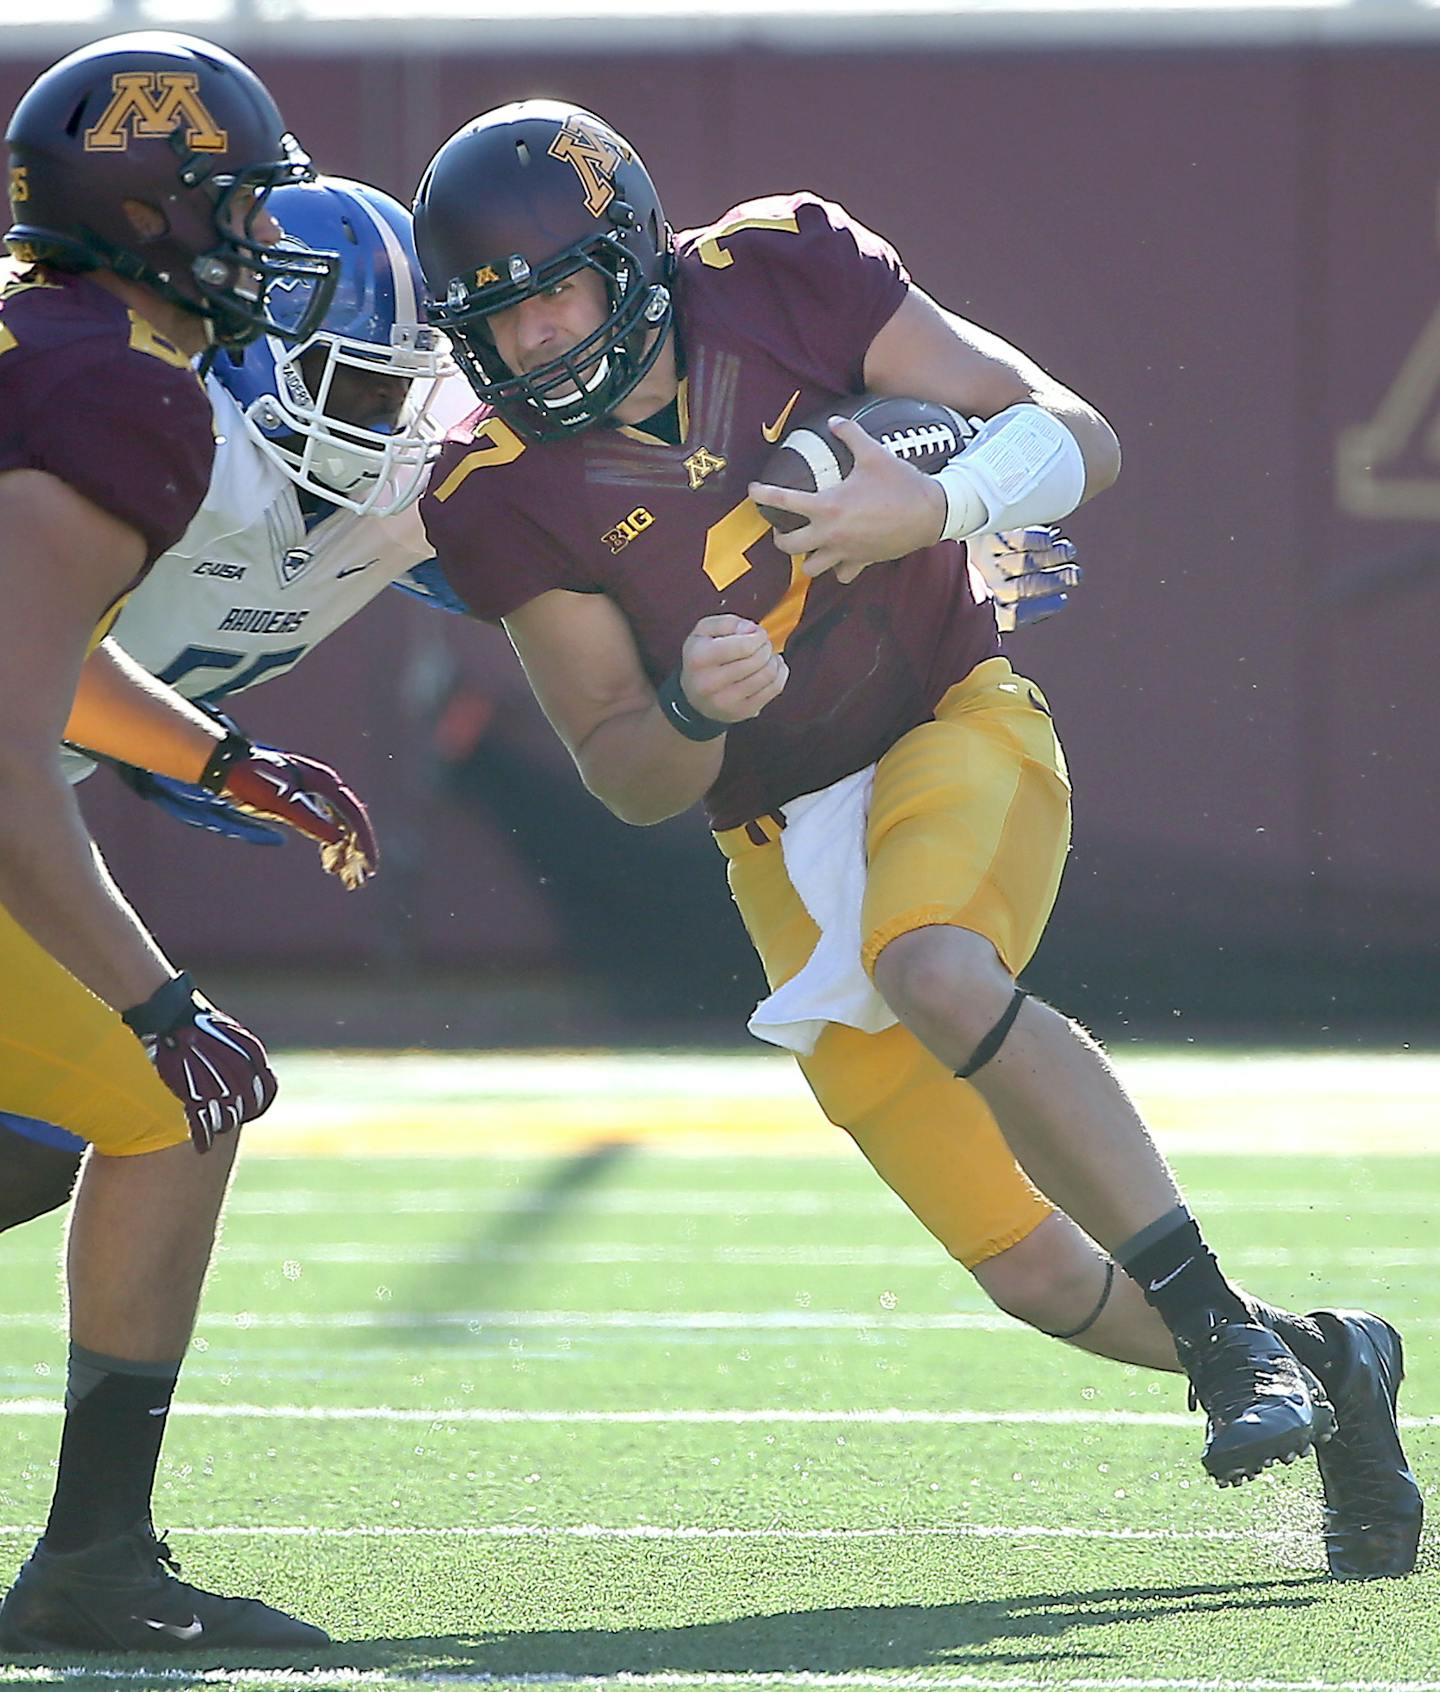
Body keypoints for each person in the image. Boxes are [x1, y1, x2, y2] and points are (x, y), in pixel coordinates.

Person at [409, 100, 1421, 1579]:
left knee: (935, 960)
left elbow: (1079, 435)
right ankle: (1330, 1359)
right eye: (498, 320)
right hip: (769, 834)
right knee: (1029, 1271)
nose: (541, 340)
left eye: (560, 288)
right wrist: (689, 706)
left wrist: (935, 504)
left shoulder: (781, 268)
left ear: (633, 259)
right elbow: (627, 776)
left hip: (953, 721)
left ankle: (1221, 1342)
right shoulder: (491, 486)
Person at [0, 34, 378, 1654]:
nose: (263, 247)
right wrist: (161, 998)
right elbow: (4, 748)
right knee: (177, 1075)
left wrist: (223, 754)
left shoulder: (55, 345)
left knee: (162, 1112)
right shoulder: (117, 386)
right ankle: (92, 1558)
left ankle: (94, 1560)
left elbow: (30, 652)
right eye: (235, 210)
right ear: (154, 216)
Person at [0, 171, 457, 1204]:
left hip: (29, 788)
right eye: (365, 389)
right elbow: (29, 671)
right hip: (19, 784)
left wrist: (220, 758)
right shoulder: (136, 424)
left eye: (404, 391)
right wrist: (164, 1002)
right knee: (106, 1113)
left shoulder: (399, 496)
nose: (391, 426)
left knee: (105, 1125)